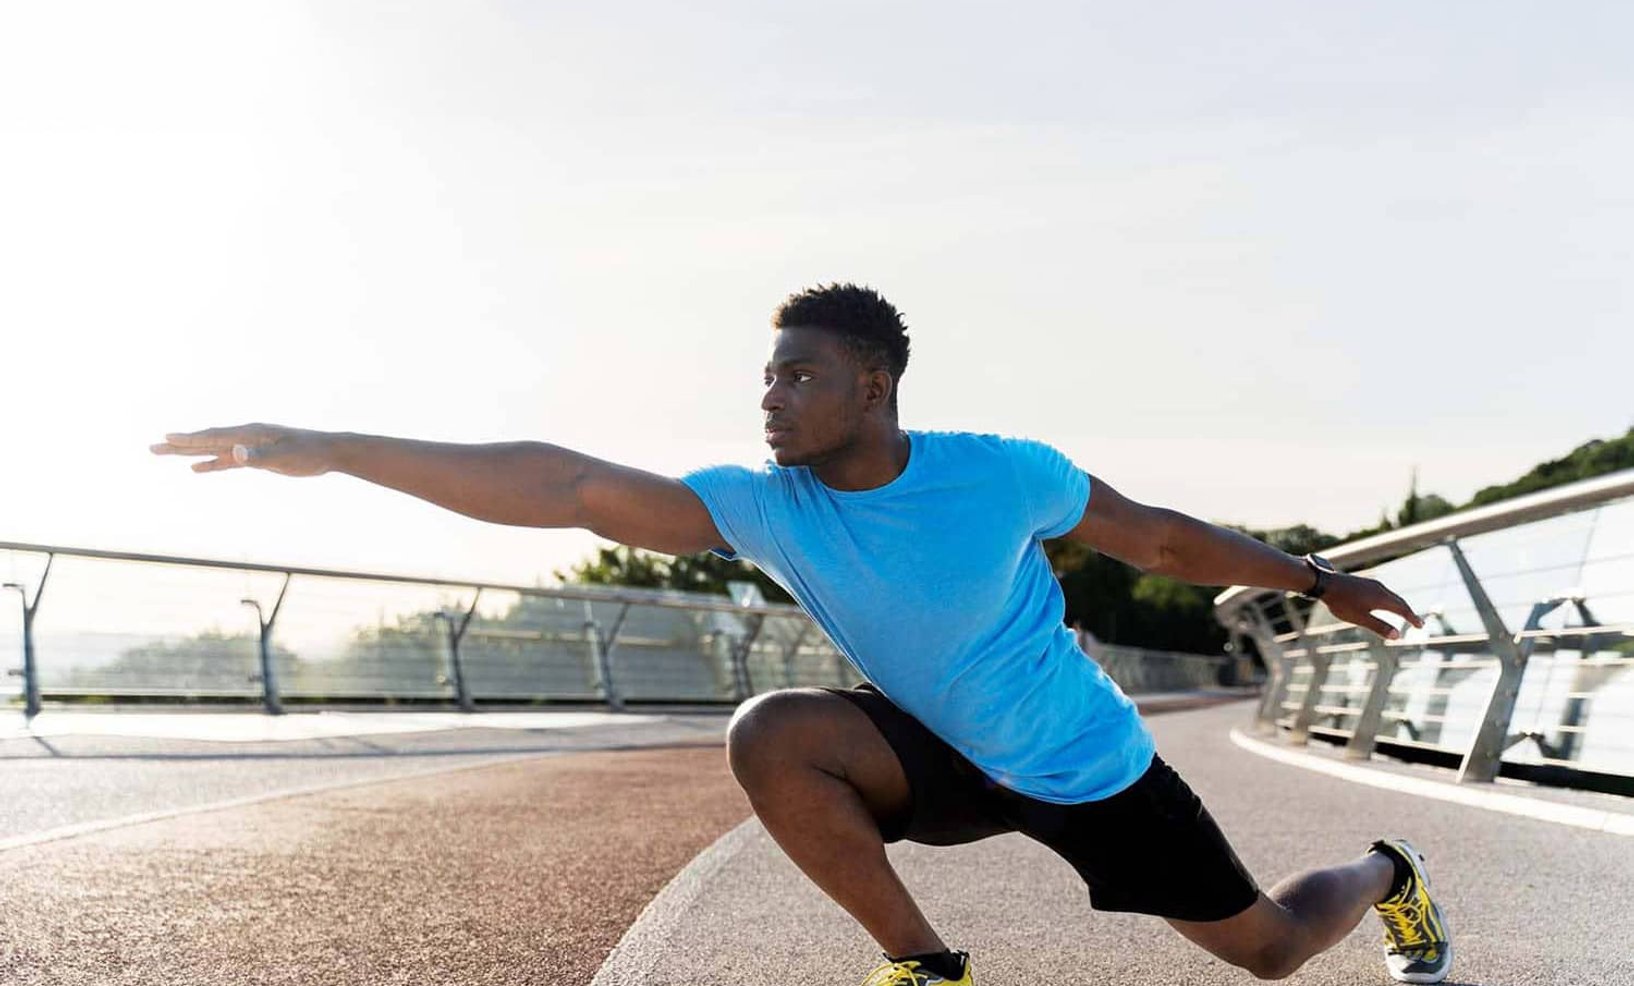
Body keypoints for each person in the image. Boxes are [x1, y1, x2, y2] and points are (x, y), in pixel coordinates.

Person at [152, 283, 1451, 986]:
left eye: (798, 374)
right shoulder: (768, 503)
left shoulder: (999, 471)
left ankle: (1385, 871)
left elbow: (1159, 543)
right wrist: (335, 447)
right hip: (938, 751)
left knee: (1268, 952)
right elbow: (570, 486)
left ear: (872, 387)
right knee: (774, 731)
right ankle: (924, 967)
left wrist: (1316, 577)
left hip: (1082, 762)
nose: (769, 396)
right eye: (766, 374)